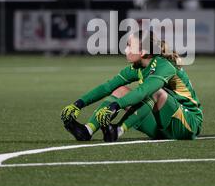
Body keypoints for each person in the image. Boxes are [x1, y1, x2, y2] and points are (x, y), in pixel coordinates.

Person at [60, 30, 203, 142]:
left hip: (187, 124)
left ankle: (117, 130)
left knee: (154, 92)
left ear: (143, 52)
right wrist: (78, 104)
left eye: (129, 45)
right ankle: (87, 130)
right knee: (120, 90)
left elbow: (144, 91)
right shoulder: (137, 67)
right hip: (161, 125)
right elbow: (108, 87)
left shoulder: (165, 65)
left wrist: (116, 106)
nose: (125, 49)